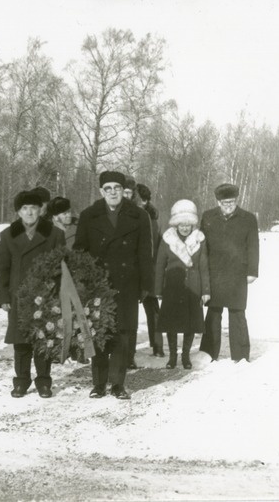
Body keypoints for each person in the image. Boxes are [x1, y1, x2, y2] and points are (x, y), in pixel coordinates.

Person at [74, 171, 153, 400]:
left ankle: (118, 384)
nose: (112, 192)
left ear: (123, 190)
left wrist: (146, 285)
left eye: (116, 188)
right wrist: (82, 282)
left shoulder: (138, 216)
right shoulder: (89, 215)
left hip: (127, 284)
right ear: (101, 191)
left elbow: (145, 254)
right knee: (98, 333)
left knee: (122, 333)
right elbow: (80, 250)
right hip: (97, 285)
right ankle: (98, 384)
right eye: (107, 188)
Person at [0, 191, 66, 398]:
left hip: (45, 297)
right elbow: (3, 269)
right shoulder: (8, 235)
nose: (29, 212)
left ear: (40, 210)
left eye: (33, 208)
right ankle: (21, 381)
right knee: (21, 342)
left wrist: (57, 296)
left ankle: (44, 381)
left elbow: (62, 267)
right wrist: (4, 298)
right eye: (24, 208)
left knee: (44, 340)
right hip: (19, 297)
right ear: (18, 211)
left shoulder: (55, 234)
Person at [199, 183, 259, 362]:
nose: (228, 206)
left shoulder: (248, 218)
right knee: (213, 313)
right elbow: (202, 246)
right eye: (224, 203)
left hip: (237, 272)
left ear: (236, 200)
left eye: (231, 202)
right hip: (214, 272)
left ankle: (240, 356)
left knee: (237, 312)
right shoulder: (208, 216)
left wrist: (252, 271)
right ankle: (208, 353)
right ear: (217, 202)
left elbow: (254, 246)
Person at [154, 200, 210, 369]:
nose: (185, 228)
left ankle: (185, 356)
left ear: (192, 224)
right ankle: (172, 357)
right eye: (181, 224)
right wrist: (158, 289)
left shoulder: (199, 240)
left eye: (188, 224)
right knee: (171, 324)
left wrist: (205, 290)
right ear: (176, 223)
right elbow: (159, 266)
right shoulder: (167, 239)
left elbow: (204, 266)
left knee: (190, 324)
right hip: (172, 287)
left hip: (193, 287)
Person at [135, 183, 163, 358]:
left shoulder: (150, 221)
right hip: (143, 270)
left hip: (147, 269)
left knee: (151, 309)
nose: (140, 204)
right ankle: (156, 344)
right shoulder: (152, 219)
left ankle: (157, 345)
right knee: (152, 309)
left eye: (142, 201)